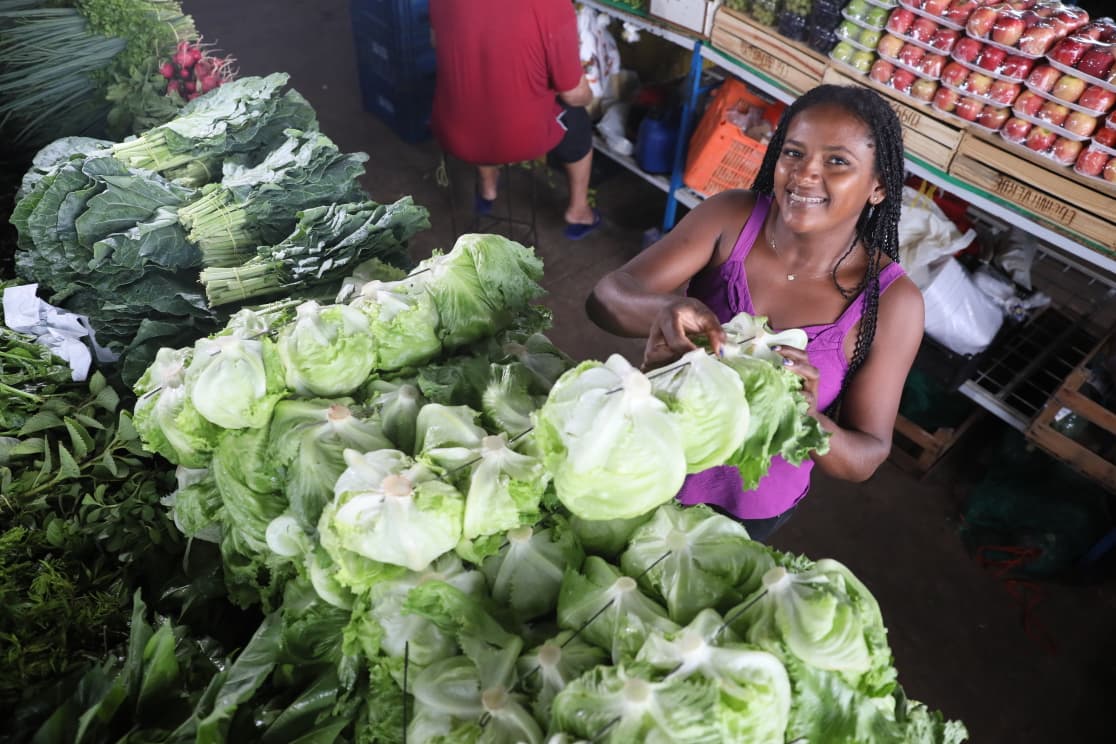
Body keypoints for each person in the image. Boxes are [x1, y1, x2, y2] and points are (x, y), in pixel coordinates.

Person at [586, 83, 925, 541]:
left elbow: (865, 456)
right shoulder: (732, 218)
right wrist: (665, 308)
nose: (805, 174)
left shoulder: (892, 303)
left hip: (743, 512)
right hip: (646, 458)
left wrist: (809, 417)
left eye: (837, 161)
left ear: (879, 186)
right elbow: (605, 300)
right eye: (793, 153)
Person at [429, 0, 601, 240]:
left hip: (453, 129)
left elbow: (436, 41)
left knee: (478, 89)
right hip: (517, 139)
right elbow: (573, 95)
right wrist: (591, 94)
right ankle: (579, 210)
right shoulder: (552, 5)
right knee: (578, 120)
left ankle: (488, 187)